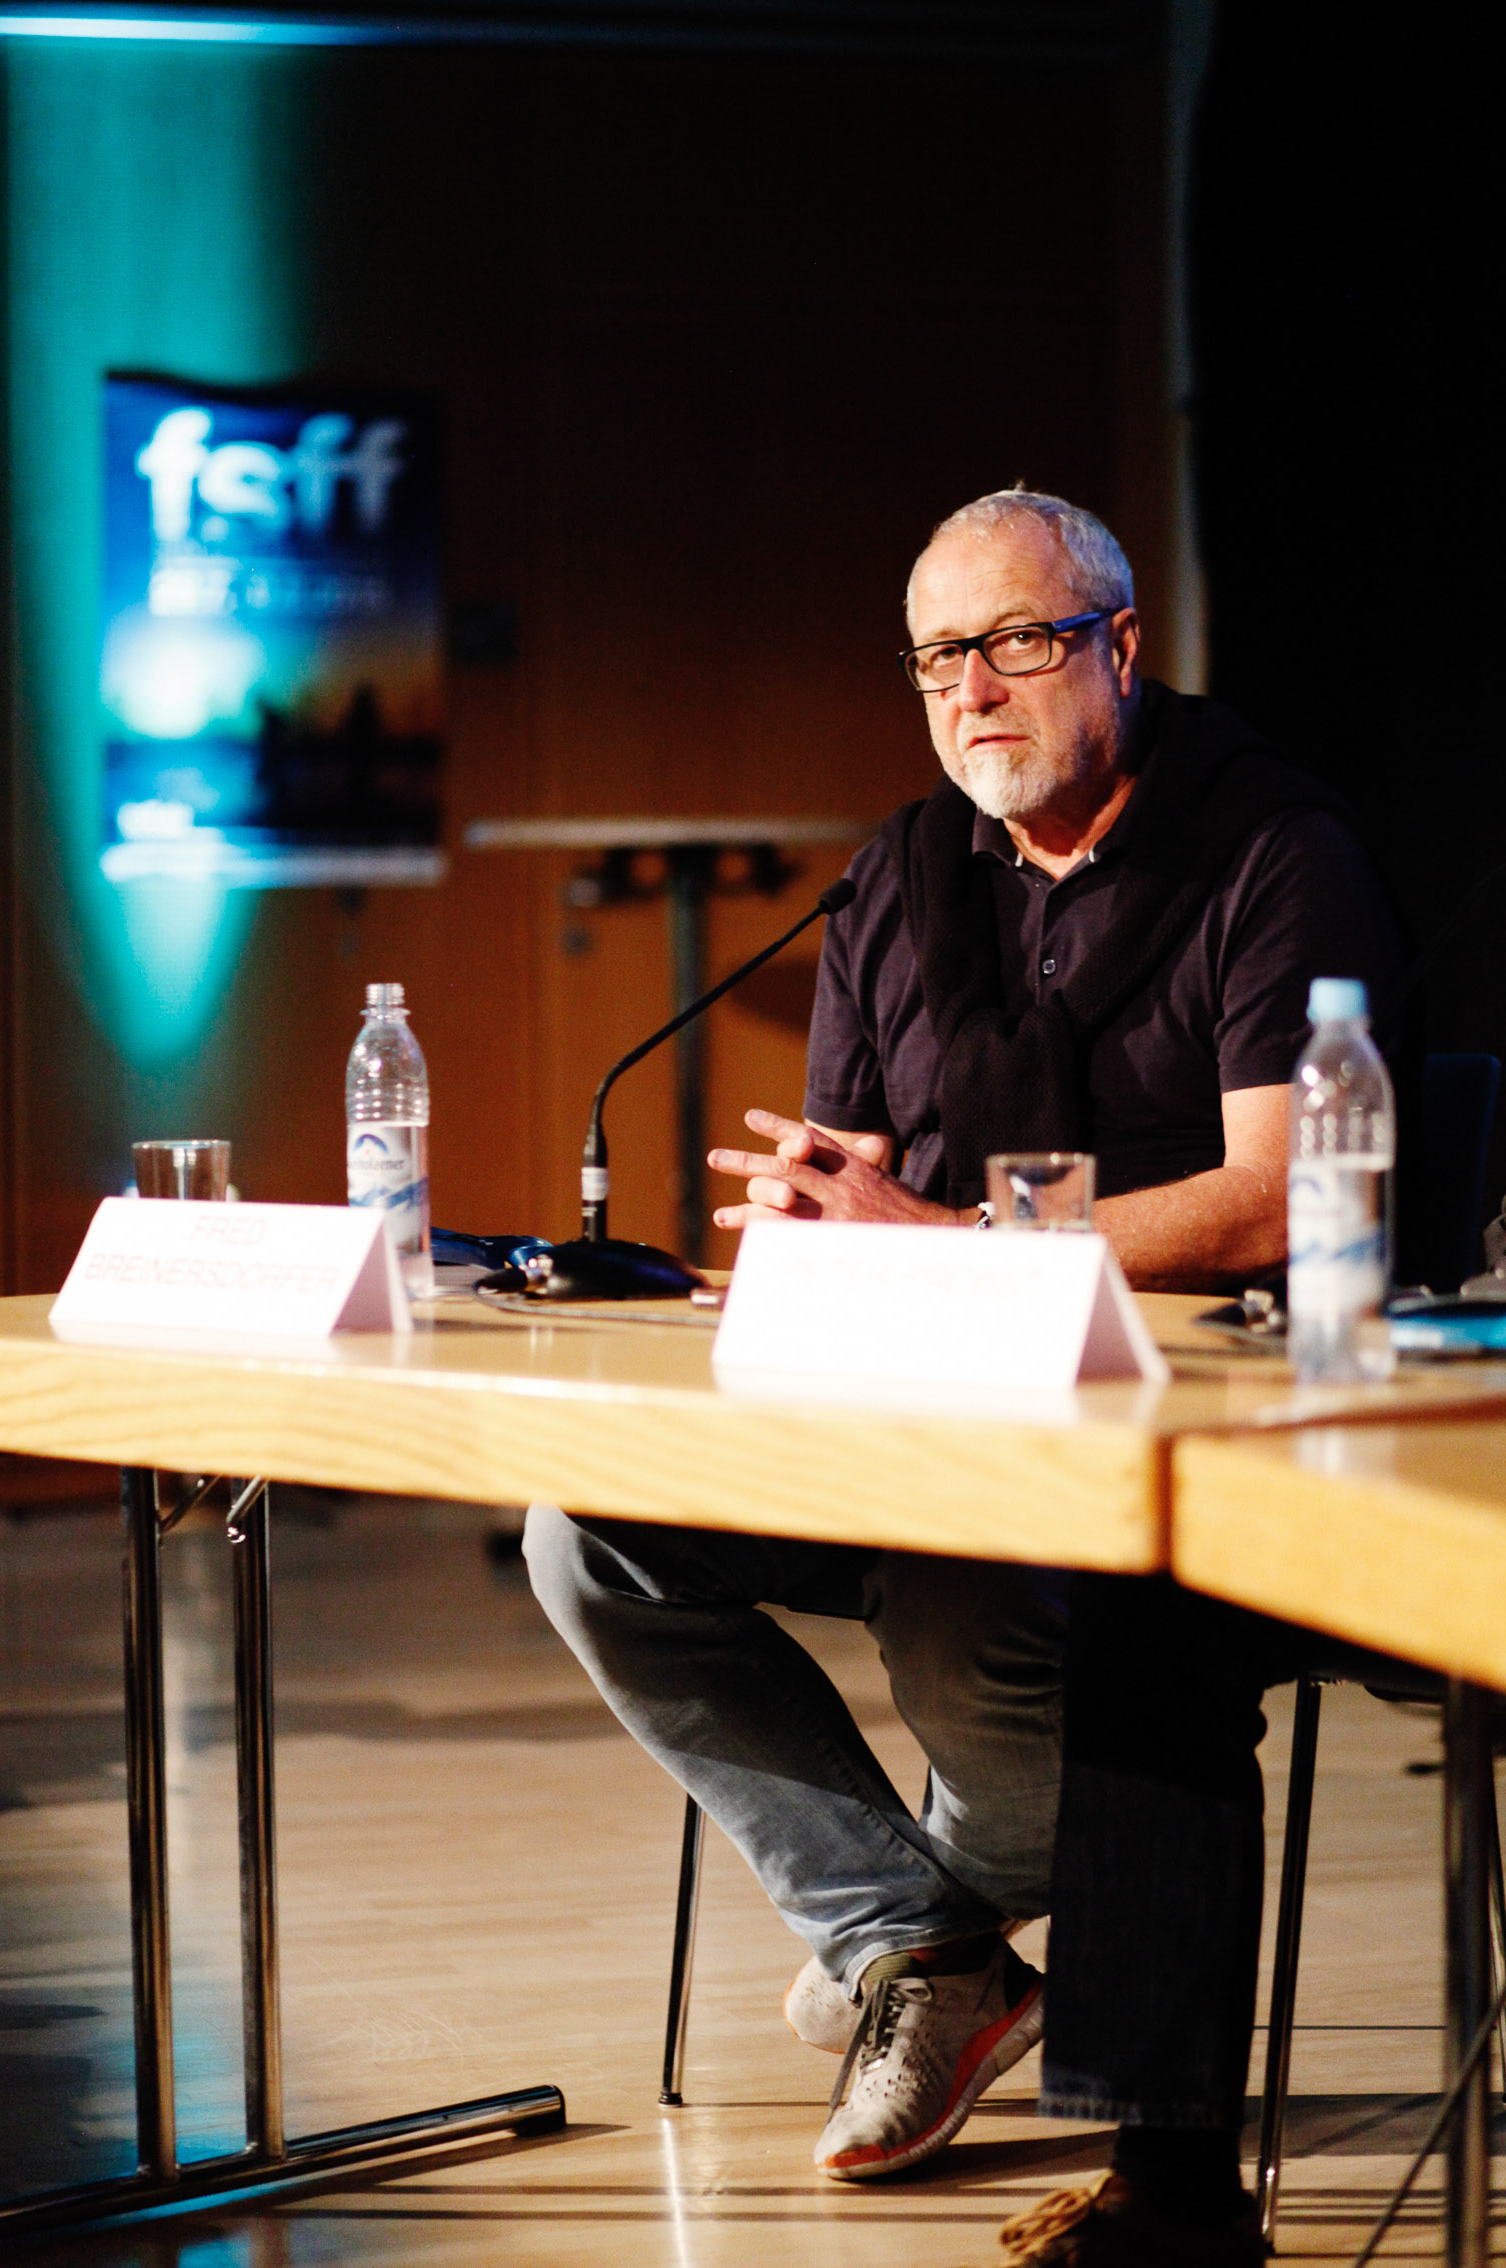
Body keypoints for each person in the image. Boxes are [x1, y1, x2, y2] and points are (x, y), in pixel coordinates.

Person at [525, 486, 1404, 2224]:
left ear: (1120, 648)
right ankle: (918, 1948)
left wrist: (955, 1244)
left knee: (958, 1586)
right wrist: (809, 1223)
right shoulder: (904, 870)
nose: (972, 691)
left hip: (1159, 1455)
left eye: (1015, 642)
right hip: (916, 1419)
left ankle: (915, 1946)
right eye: (938, 658)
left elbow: (1281, 1196)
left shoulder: (1271, 851)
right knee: (591, 1534)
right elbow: (848, 1182)